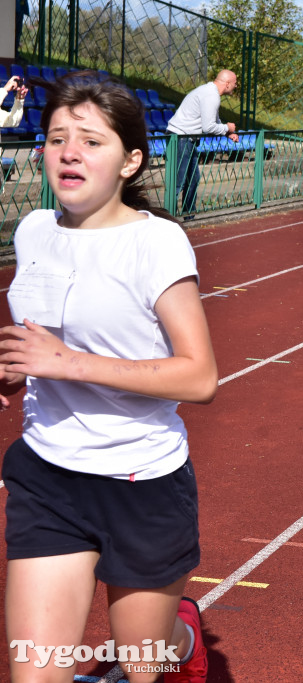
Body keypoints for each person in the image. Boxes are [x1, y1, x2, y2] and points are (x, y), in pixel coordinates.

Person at [0, 71, 218, 682]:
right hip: (48, 477)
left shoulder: (158, 244)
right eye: (56, 137)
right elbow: (41, 343)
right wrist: (17, 370)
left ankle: (182, 636)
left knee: (143, 659)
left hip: (140, 483)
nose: (69, 151)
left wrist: (66, 364)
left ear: (130, 161)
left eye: (92, 141)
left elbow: (199, 377)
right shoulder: (33, 231)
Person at [165, 70, 239, 218]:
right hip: (181, 138)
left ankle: (189, 215)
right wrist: (228, 128)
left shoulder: (209, 91)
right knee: (178, 181)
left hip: (186, 138)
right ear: (228, 84)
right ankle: (168, 219)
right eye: (235, 83)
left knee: (192, 179)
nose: (236, 86)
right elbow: (208, 127)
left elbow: (213, 120)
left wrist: (227, 132)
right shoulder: (211, 96)